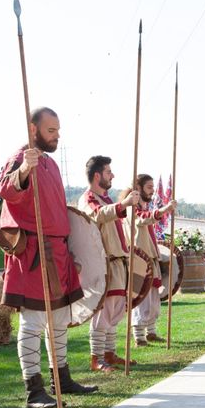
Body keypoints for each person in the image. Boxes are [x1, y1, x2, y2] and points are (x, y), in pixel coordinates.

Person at [0, 107, 97, 408]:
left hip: (57, 250)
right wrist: (24, 169)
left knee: (58, 320)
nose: (56, 136)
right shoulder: (20, 158)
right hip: (33, 251)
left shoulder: (51, 164)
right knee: (33, 322)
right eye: (50, 130)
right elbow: (6, 189)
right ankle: (34, 391)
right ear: (33, 129)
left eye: (57, 130)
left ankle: (61, 380)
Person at [78, 156, 140, 372]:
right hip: (101, 264)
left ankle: (109, 353)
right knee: (102, 312)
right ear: (97, 175)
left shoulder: (106, 200)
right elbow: (97, 216)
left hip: (116, 262)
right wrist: (123, 204)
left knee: (115, 311)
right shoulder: (89, 198)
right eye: (108, 172)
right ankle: (96, 359)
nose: (112, 175)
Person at [122, 174, 176, 346]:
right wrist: (163, 210)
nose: (152, 191)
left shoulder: (143, 205)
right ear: (138, 188)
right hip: (139, 259)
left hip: (149, 257)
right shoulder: (132, 207)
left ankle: (151, 332)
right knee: (140, 297)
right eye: (149, 187)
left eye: (153, 187)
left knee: (152, 296)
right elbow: (143, 218)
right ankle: (139, 337)